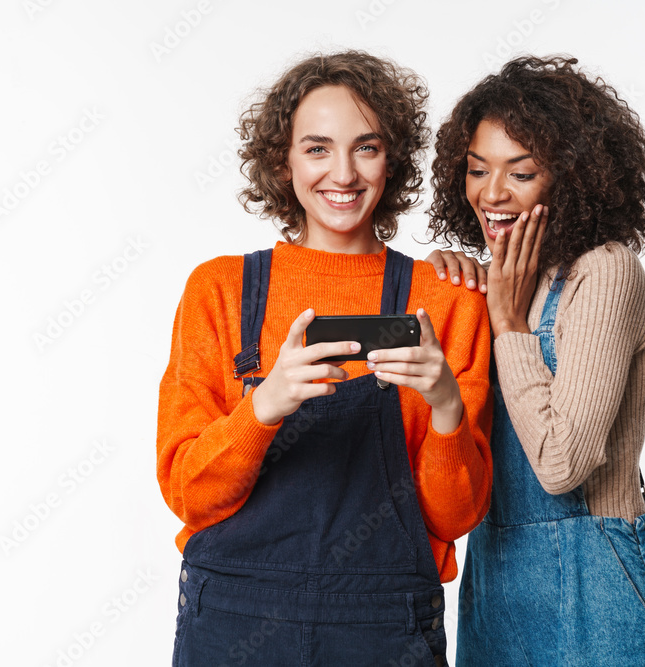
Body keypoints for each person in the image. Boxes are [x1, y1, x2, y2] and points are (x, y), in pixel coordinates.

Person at [157, 51, 493, 666]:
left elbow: (453, 518)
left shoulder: (447, 302)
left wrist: (445, 405)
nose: (343, 172)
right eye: (316, 148)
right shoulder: (220, 290)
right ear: (282, 162)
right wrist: (264, 407)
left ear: (392, 160)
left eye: (365, 147)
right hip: (235, 619)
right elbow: (189, 494)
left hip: (384, 624)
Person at [426, 56, 645, 665]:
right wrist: (458, 293)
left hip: (600, 578)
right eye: (476, 171)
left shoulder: (605, 272)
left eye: (521, 173)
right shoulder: (499, 283)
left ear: (571, 178)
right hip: (495, 577)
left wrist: (509, 326)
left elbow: (564, 464)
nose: (491, 194)